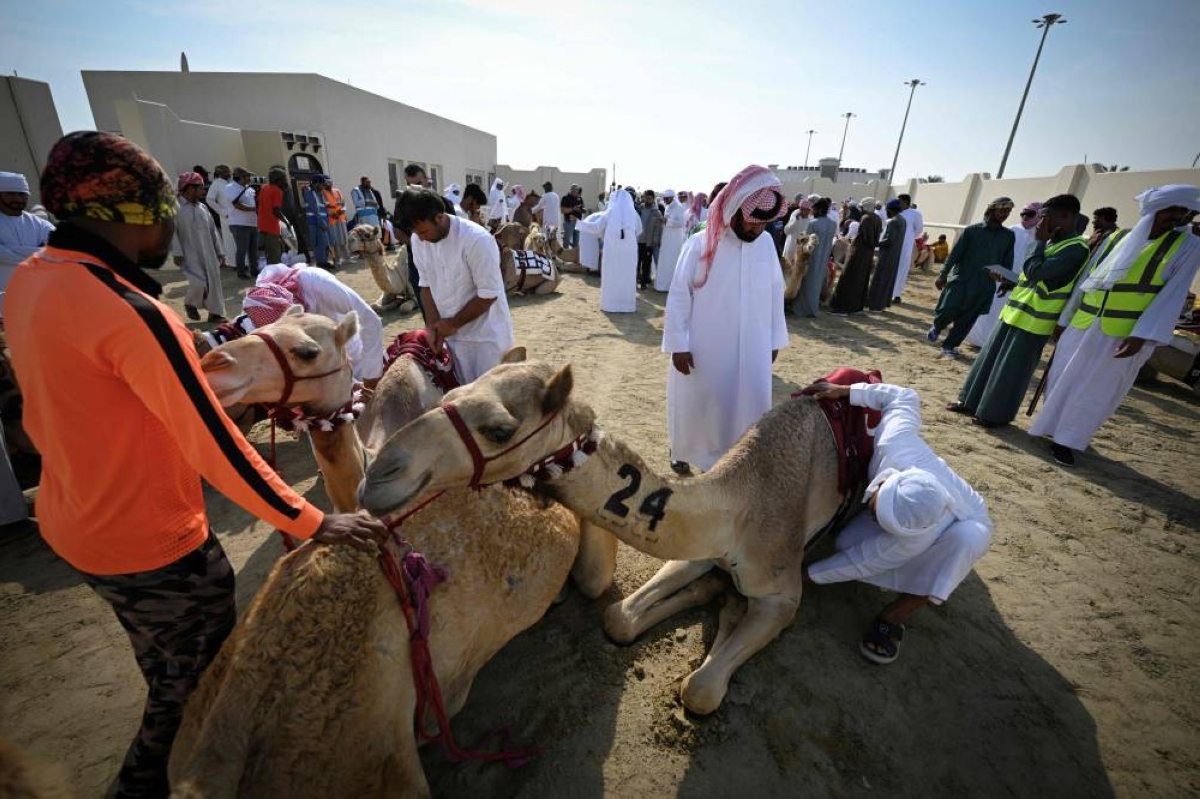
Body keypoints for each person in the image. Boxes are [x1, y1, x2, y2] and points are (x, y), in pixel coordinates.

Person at [2, 131, 386, 799]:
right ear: (130, 213)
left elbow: (50, 408)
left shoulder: (32, 283)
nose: (169, 223)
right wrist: (311, 518)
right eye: (160, 208)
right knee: (194, 692)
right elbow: (213, 439)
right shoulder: (131, 312)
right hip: (152, 542)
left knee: (162, 665)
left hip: (73, 523)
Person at [803, 380, 992, 665]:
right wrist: (848, 391)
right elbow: (905, 396)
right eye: (880, 515)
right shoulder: (897, 442)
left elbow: (864, 560)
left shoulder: (917, 535)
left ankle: (896, 614)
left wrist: (803, 576)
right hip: (930, 503)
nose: (877, 520)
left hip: (969, 519)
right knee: (844, 542)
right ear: (885, 484)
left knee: (967, 540)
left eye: (890, 527)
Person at [1030, 185, 1200, 466]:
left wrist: (1142, 336)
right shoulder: (1117, 238)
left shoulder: (1188, 247)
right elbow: (1088, 278)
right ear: (1155, 210)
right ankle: (1049, 428)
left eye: (1182, 211)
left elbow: (1172, 296)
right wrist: (1064, 319)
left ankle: (1067, 441)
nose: (1177, 216)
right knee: (1062, 377)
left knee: (1096, 389)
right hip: (1083, 322)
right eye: (1171, 209)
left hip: (1122, 334)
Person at [663, 164, 789, 475]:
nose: (757, 229)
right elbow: (680, 296)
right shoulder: (700, 244)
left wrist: (774, 340)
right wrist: (678, 345)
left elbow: (775, 294)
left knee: (748, 407)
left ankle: (736, 462)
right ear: (734, 209)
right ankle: (684, 450)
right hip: (706, 346)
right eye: (752, 222)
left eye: (764, 224)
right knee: (701, 404)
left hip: (754, 346)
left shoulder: (766, 245)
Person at [949, 195, 1090, 426]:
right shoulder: (1054, 242)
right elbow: (1034, 278)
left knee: (1010, 374)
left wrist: (1039, 241)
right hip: (1013, 314)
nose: (1040, 222)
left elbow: (1037, 272)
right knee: (987, 362)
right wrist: (1012, 281)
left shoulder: (1075, 248)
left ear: (1065, 217)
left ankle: (993, 416)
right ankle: (970, 403)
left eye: (1045, 217)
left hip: (1033, 323)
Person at [397, 188, 514, 383]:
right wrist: (433, 327)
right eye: (416, 233)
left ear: (440, 218)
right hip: (452, 340)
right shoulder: (418, 241)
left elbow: (488, 294)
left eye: (424, 231)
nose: (422, 238)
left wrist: (453, 324)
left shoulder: (476, 240)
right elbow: (425, 285)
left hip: (486, 340)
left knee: (489, 401)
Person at [226, 263, 387, 388]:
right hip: (323, 372)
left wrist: (371, 377)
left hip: (357, 357)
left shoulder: (317, 283)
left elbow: (370, 321)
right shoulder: (259, 305)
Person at [927, 198, 1016, 359]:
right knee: (948, 309)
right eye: (1002, 211)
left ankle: (949, 345)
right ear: (992, 210)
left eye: (1008, 212)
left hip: (985, 285)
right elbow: (954, 255)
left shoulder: (1008, 236)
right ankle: (938, 325)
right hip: (962, 280)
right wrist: (943, 274)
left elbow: (1007, 262)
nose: (1005, 215)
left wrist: (1005, 281)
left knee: (967, 319)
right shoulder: (971, 231)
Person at [965, 200, 1042, 348]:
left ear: (1039, 215)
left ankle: (991, 343)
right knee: (989, 309)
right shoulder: (1012, 230)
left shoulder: (1041, 237)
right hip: (999, 278)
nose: (1025, 217)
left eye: (1030, 214)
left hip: (1019, 283)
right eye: (1023, 213)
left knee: (1006, 313)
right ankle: (976, 339)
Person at [172, 172, 227, 322]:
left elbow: (213, 231)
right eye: (201, 188)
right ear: (189, 188)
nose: (204, 191)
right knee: (199, 283)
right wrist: (177, 252)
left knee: (213, 283)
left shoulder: (203, 208)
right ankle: (190, 303)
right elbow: (172, 231)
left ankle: (215, 314)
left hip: (209, 253)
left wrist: (220, 251)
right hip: (189, 254)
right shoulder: (176, 208)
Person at [0, 171, 55, 298]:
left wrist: (12, 249)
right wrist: (40, 253)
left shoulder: (40, 224)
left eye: (22, 194)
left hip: (37, 296)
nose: (18, 199)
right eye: (10, 194)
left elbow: (60, 249)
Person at [829, 198, 883, 315]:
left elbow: (867, 238)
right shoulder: (877, 218)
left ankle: (843, 308)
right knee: (860, 280)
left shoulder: (866, 218)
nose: (860, 210)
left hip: (859, 253)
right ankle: (856, 307)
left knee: (848, 279)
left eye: (862, 207)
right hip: (867, 254)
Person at [597, 188, 641, 312]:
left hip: (612, 251)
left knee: (612, 274)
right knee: (626, 276)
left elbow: (596, 227)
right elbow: (640, 230)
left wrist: (579, 223)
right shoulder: (634, 214)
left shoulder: (609, 212)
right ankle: (626, 304)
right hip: (630, 251)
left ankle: (611, 304)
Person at [793, 197, 836, 317]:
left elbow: (804, 241)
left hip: (811, 258)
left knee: (807, 284)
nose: (812, 211)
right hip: (824, 258)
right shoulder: (833, 224)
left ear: (820, 209)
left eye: (815, 209)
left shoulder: (813, 223)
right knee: (817, 285)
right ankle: (813, 308)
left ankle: (803, 309)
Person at [867, 200, 907, 312]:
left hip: (887, 255)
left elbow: (889, 240)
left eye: (887, 210)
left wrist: (875, 243)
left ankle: (875, 305)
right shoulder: (902, 220)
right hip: (894, 256)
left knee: (880, 279)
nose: (886, 213)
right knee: (888, 280)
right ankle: (882, 304)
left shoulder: (893, 221)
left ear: (890, 210)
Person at [225, 167, 258, 279]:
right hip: (239, 223)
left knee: (253, 249)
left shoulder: (249, 189)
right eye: (247, 176)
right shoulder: (230, 188)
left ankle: (254, 270)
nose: (250, 178)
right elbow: (237, 204)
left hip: (252, 223)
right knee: (242, 249)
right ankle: (241, 272)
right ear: (241, 177)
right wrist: (254, 209)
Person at [653, 189, 688, 292]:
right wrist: (662, 222)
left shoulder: (679, 208)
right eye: (664, 198)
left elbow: (681, 223)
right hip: (666, 237)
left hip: (675, 239)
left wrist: (667, 221)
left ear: (672, 198)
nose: (665, 200)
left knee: (672, 260)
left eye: (667, 198)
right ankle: (661, 285)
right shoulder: (667, 207)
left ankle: (670, 286)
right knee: (664, 260)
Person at [893, 193, 924, 302]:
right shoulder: (895, 212)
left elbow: (919, 229)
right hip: (893, 243)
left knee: (902, 268)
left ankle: (896, 294)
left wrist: (909, 237)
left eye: (899, 201)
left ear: (905, 202)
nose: (898, 203)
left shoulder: (915, 214)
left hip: (906, 244)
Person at [205, 164, 237, 269]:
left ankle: (244, 262)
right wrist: (223, 212)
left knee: (240, 239)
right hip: (227, 216)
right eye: (227, 172)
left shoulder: (232, 182)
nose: (229, 174)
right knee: (230, 239)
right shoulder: (216, 184)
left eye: (229, 171)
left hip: (238, 215)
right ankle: (233, 263)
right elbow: (209, 199)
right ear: (220, 173)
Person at [256, 167, 290, 265]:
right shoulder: (277, 191)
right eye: (284, 178)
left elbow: (259, 203)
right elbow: (276, 210)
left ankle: (270, 275)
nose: (285, 180)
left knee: (268, 255)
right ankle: (275, 277)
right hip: (272, 228)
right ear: (279, 179)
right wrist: (286, 221)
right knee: (275, 256)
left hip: (262, 226)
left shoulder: (264, 188)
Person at [301, 175, 331, 270]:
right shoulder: (309, 193)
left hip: (323, 221)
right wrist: (321, 222)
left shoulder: (320, 193)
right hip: (315, 222)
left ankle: (324, 261)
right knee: (318, 243)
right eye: (322, 184)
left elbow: (323, 208)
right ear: (316, 183)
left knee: (325, 243)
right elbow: (315, 209)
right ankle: (320, 262)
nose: (323, 187)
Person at [637, 190, 664, 290]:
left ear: (653, 199)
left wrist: (656, 240)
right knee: (637, 262)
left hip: (648, 242)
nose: (647, 200)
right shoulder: (639, 209)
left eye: (649, 198)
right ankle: (634, 281)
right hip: (638, 240)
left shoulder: (656, 212)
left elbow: (658, 228)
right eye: (646, 198)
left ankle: (644, 283)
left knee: (646, 264)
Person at [323, 176, 349, 268]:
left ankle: (347, 258)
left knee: (344, 239)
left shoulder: (337, 191)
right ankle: (337, 260)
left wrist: (343, 210)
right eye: (327, 183)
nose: (329, 185)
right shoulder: (322, 193)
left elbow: (343, 203)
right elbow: (325, 207)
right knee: (335, 240)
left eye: (330, 183)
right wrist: (332, 214)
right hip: (332, 219)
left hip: (341, 218)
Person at [782, 197, 813, 266]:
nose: (809, 212)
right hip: (791, 246)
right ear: (801, 209)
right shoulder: (795, 216)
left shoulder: (810, 220)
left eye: (809, 210)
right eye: (807, 210)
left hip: (801, 249)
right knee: (786, 268)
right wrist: (795, 221)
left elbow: (808, 235)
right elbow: (786, 231)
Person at [562, 184, 585, 249]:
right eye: (575, 190)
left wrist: (581, 210)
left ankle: (575, 256)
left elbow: (583, 209)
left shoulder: (580, 198)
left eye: (577, 191)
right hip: (569, 222)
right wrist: (573, 209)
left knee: (576, 242)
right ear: (571, 190)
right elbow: (563, 210)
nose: (577, 192)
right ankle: (565, 255)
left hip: (577, 222)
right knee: (567, 241)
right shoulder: (565, 198)